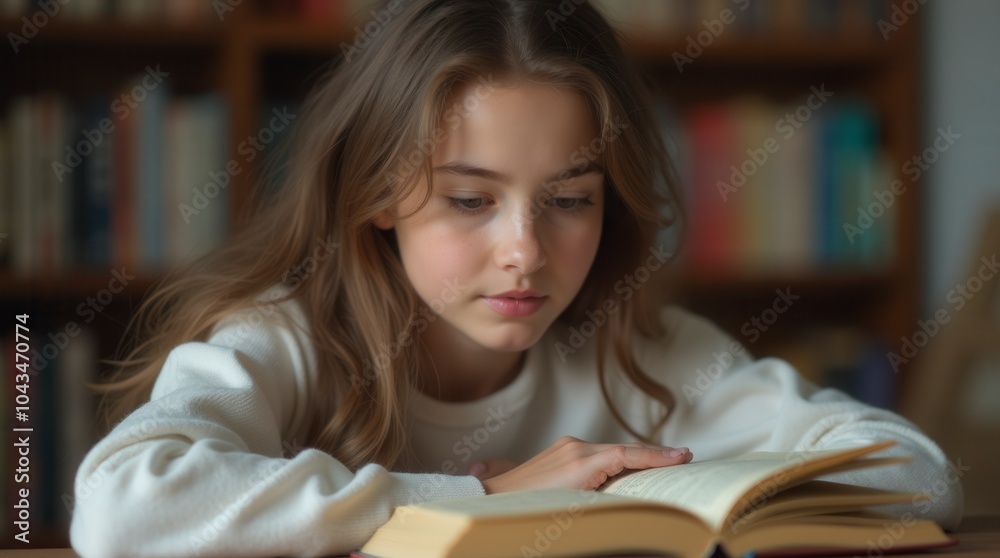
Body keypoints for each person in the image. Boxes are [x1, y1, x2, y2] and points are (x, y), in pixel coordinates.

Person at [70, 0, 962, 556]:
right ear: (379, 192)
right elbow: (123, 512)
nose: (526, 252)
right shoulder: (286, 340)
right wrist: (491, 496)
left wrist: (638, 494)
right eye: (468, 201)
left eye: (570, 198)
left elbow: (917, 473)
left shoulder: (645, 351)